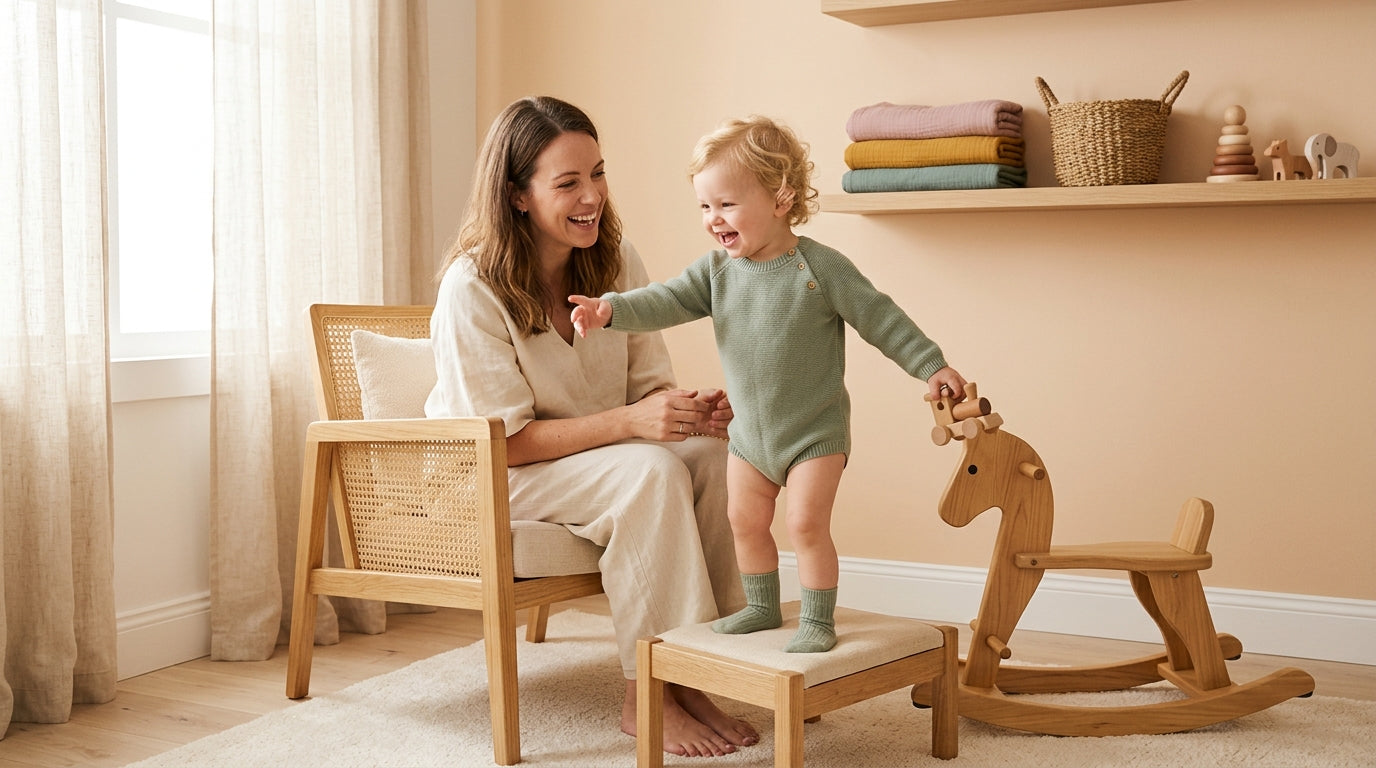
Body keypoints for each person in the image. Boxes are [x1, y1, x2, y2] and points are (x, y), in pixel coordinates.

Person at [425, 96, 757, 758]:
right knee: (650, 469)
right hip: (492, 478)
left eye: (597, 174)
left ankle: (701, 667)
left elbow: (647, 387)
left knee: (716, 456)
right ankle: (649, 692)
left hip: (594, 464)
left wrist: (688, 411)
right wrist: (634, 424)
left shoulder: (615, 261)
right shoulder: (472, 288)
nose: (592, 197)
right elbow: (507, 443)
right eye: (568, 183)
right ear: (518, 195)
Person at [570, 115, 969, 654]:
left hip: (814, 434)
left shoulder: (820, 268)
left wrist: (931, 365)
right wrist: (609, 309)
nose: (714, 220)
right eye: (705, 207)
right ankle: (759, 607)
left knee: (805, 525)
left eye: (727, 205)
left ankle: (817, 618)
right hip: (750, 437)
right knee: (745, 521)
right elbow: (661, 300)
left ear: (781, 198)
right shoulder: (715, 273)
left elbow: (881, 319)